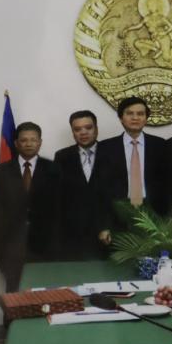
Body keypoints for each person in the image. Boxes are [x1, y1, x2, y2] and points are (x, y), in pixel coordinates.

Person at [0, 122, 60, 293]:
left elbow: (59, 208)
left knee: (44, 294)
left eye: (33, 140)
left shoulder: (54, 169)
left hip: (45, 245)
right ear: (16, 143)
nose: (29, 144)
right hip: (11, 245)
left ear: (40, 142)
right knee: (14, 292)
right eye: (24, 140)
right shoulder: (2, 171)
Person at [96, 96, 169, 246]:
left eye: (140, 114)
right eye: (130, 113)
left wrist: (169, 219)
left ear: (146, 118)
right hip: (118, 215)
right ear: (121, 118)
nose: (135, 118)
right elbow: (100, 190)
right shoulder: (105, 148)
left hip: (154, 215)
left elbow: (168, 185)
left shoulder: (160, 145)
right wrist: (103, 225)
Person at [54, 110, 106, 260]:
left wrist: (108, 226)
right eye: (77, 129)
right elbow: (58, 196)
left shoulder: (111, 152)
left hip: (106, 231)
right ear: (73, 132)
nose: (83, 132)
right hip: (73, 234)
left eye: (88, 127)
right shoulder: (62, 156)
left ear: (96, 129)